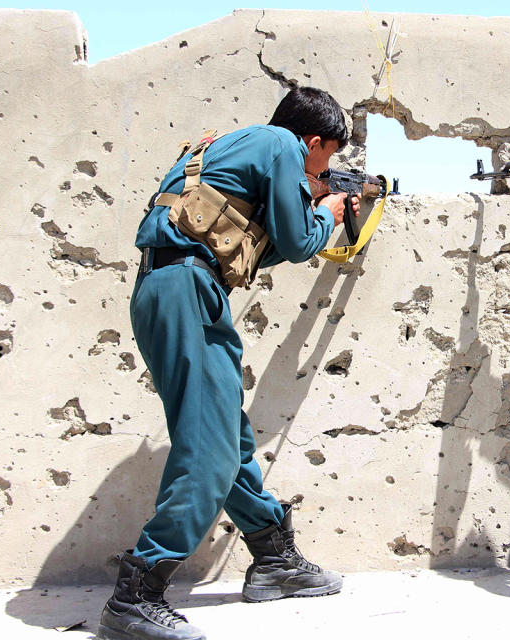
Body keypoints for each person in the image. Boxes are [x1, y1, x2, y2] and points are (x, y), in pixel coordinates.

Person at [98, 86, 360, 640]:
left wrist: (305, 195)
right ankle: (138, 594)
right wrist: (328, 211)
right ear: (313, 141)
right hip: (186, 288)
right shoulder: (282, 146)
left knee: (225, 435)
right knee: (210, 447)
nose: (326, 166)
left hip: (167, 287)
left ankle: (273, 556)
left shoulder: (228, 145)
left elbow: (242, 238)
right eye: (329, 156)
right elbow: (294, 243)